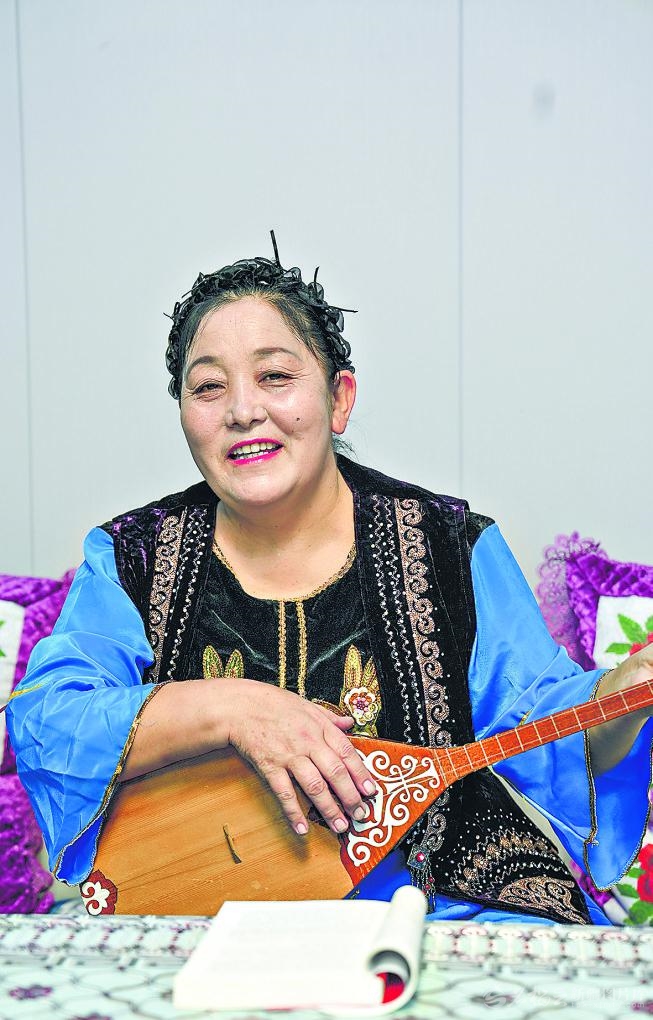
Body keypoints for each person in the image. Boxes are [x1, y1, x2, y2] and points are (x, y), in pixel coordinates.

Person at [7, 235, 653, 925]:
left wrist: (627, 690)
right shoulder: (131, 557)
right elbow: (48, 721)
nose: (242, 410)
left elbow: (543, 729)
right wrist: (232, 709)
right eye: (208, 386)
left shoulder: (452, 544)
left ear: (339, 399)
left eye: (275, 376)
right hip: (206, 905)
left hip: (442, 904)